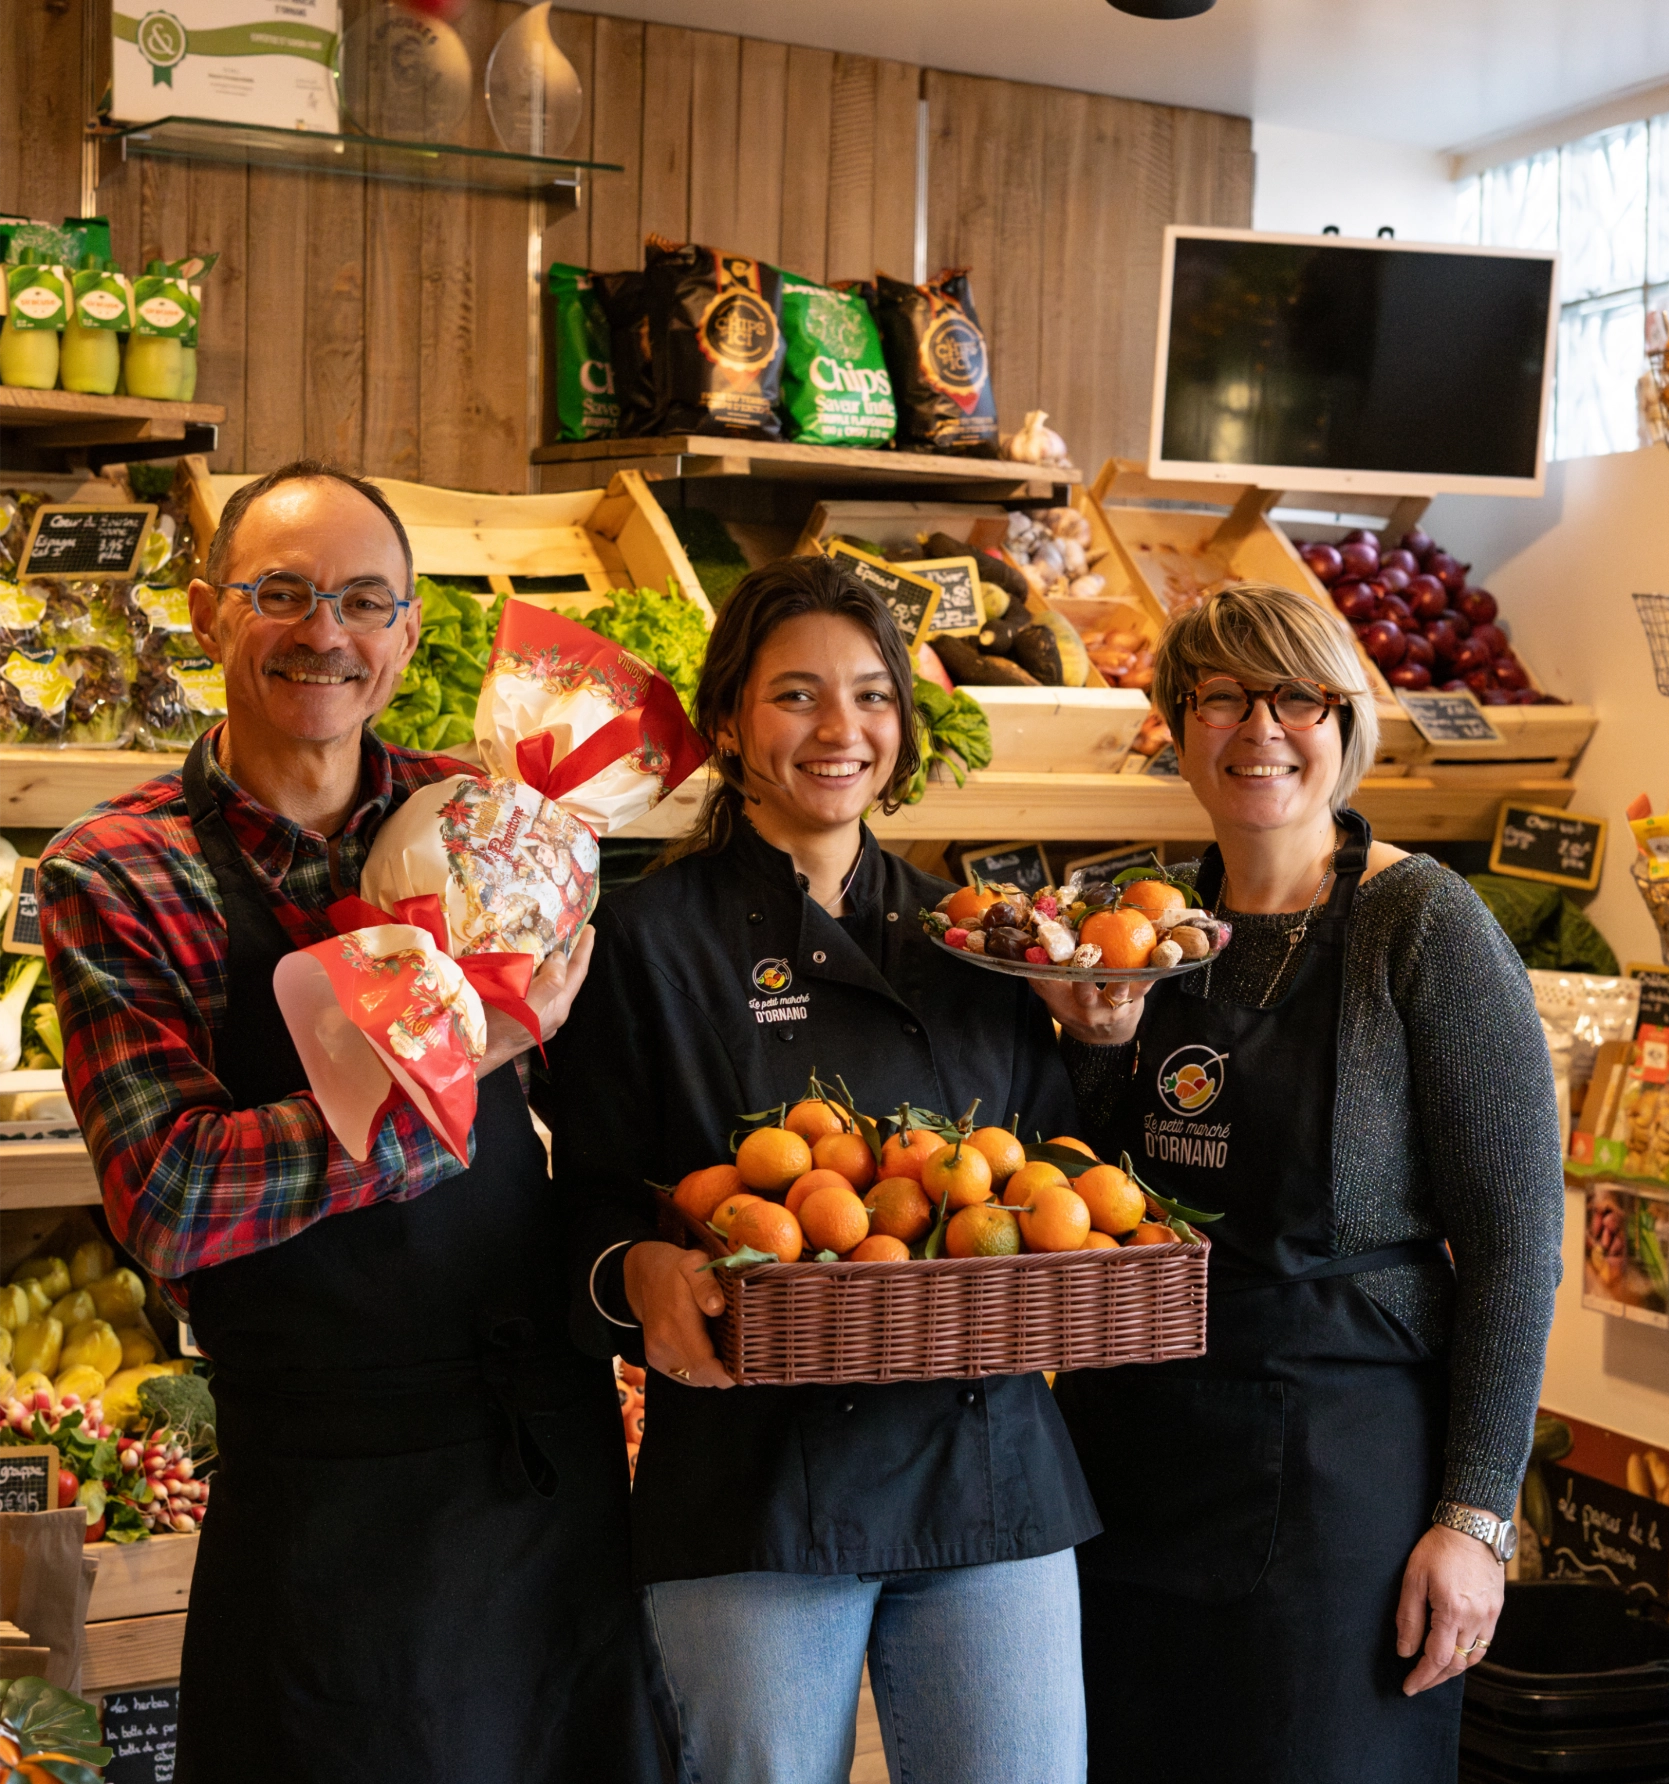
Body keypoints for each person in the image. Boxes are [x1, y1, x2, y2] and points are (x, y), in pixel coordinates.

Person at [39, 462, 660, 1784]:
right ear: (207, 614)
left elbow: (610, 1115)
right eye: (282, 594)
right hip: (330, 1491)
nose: (324, 632)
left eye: (363, 602)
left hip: (545, 1466)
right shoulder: (118, 872)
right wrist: (457, 1067)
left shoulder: (488, 825)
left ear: (409, 634)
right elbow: (169, 1203)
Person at [552, 554, 1100, 1784]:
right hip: (753, 1477)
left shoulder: (971, 936)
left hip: (989, 1465)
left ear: (901, 724)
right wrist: (633, 1267)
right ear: (730, 721)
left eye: (868, 694)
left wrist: (1101, 1042)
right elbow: (581, 1198)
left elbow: (1051, 1163)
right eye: (795, 694)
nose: (837, 729)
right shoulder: (643, 940)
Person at [1031, 581, 1564, 1784]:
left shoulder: (1422, 926)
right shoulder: (1139, 924)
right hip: (1134, 1466)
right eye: (1219, 697)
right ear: (1175, 725)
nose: (1256, 727)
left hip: (1342, 1486)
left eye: (1294, 697)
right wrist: (1094, 1049)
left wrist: (1474, 1517)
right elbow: (1090, 1192)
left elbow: (1514, 1245)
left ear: (1343, 721)